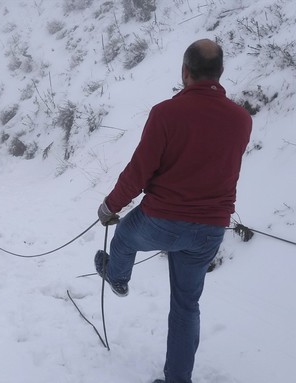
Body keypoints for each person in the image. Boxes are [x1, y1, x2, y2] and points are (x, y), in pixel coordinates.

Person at [95, 39, 252, 383]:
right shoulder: (242, 120)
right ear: (220, 73)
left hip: (162, 220)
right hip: (210, 229)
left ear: (185, 72)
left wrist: (110, 207)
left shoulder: (166, 113)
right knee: (186, 308)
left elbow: (139, 170)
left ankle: (118, 279)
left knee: (123, 237)